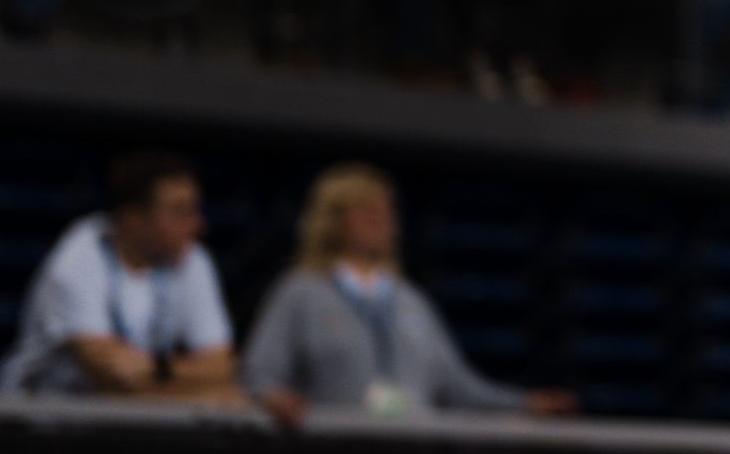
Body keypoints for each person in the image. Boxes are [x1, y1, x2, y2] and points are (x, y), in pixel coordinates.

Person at [243, 163, 577, 425]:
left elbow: (457, 385)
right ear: (333, 220)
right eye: (366, 211)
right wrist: (274, 399)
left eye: (386, 210)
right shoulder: (300, 291)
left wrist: (523, 404)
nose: (382, 221)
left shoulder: (410, 301)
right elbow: (261, 373)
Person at [0, 151, 236, 398]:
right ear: (132, 219)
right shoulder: (77, 257)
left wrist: (154, 370)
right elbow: (110, 375)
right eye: (179, 212)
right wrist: (199, 387)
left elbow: (221, 365)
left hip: (126, 418)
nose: (197, 224)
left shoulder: (191, 258)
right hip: (40, 422)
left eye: (194, 210)